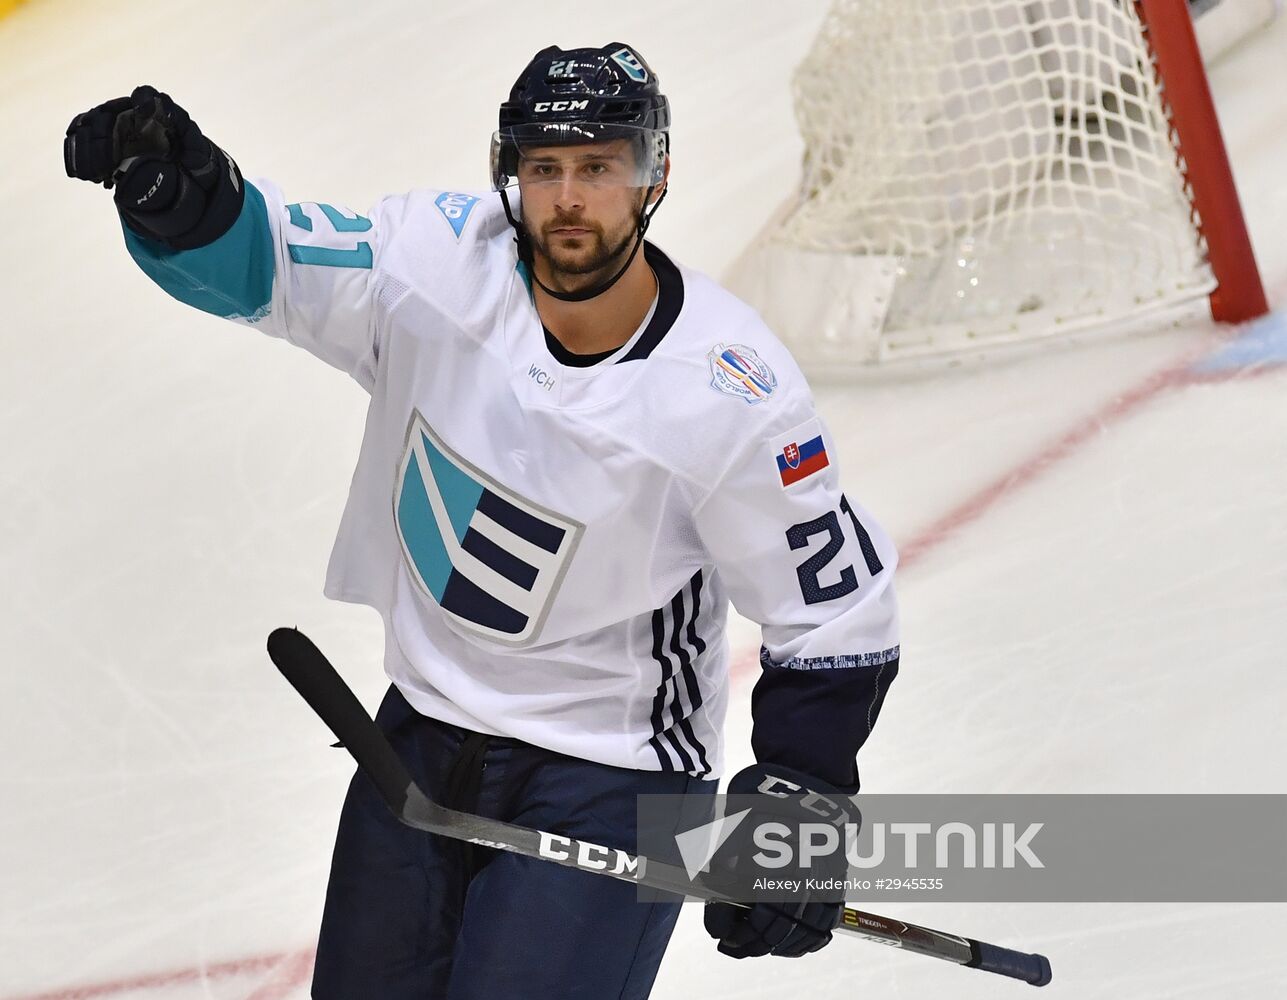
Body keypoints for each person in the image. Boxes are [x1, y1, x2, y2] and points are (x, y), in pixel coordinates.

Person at [64, 42, 900, 999]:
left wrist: (799, 809)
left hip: (609, 777)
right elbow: (274, 261)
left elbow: (835, 614)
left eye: (599, 166)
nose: (570, 197)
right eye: (545, 167)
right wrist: (184, 200)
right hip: (420, 735)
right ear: (509, 172)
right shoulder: (437, 265)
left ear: (653, 174)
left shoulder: (729, 394)